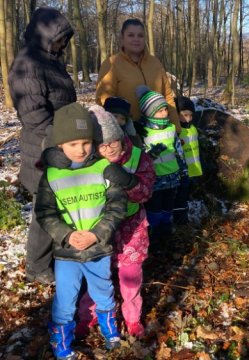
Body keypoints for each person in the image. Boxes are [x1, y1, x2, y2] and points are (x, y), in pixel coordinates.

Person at [34, 103, 127, 358]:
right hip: (67, 253)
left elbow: (117, 205)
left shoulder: (103, 168)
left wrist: (97, 233)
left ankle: (110, 331)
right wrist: (66, 234)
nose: (81, 150)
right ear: (60, 145)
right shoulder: (51, 175)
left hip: (98, 248)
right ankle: (61, 344)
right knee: (65, 298)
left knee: (104, 290)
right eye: (73, 144)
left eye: (85, 142)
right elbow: (44, 211)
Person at [8, 7, 76, 284]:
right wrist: (60, 137)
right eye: (58, 38)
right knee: (45, 209)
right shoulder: (28, 64)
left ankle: (57, 255)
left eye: (64, 39)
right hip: (44, 147)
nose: (62, 44)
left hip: (60, 142)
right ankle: (36, 266)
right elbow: (33, 113)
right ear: (45, 35)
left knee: (60, 205)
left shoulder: (50, 60)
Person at [75, 105, 155, 339]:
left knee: (130, 277)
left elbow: (147, 191)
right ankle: (87, 317)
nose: (108, 148)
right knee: (97, 277)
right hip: (99, 229)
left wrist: (129, 182)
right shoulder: (88, 163)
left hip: (132, 227)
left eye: (113, 141)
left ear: (121, 137)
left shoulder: (138, 156)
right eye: (102, 144)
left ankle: (132, 318)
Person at [95, 18, 181, 133]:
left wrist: (177, 129)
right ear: (122, 38)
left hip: (159, 131)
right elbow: (103, 101)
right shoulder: (112, 64)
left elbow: (168, 97)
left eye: (140, 35)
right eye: (131, 35)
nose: (136, 39)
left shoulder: (155, 63)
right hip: (127, 134)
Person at [135, 86, 187, 249]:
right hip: (154, 180)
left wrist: (183, 171)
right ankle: (154, 233)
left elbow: (179, 151)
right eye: (159, 111)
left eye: (165, 109)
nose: (164, 114)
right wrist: (151, 155)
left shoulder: (171, 129)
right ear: (148, 113)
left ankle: (166, 229)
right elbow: (140, 158)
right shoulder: (143, 132)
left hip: (172, 177)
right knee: (154, 207)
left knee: (168, 206)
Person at [173, 96, 203, 225]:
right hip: (181, 173)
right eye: (184, 115)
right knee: (179, 198)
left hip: (193, 170)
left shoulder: (193, 128)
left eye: (190, 115)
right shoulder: (176, 132)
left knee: (185, 195)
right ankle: (180, 221)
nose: (188, 119)